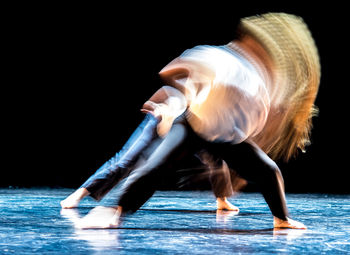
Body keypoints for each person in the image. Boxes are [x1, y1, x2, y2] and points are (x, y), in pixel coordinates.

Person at [75, 13, 320, 230]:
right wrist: (170, 108)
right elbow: (190, 83)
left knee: (268, 171)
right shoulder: (217, 59)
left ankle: (281, 218)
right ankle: (114, 211)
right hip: (194, 125)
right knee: (154, 168)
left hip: (227, 135)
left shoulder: (256, 72)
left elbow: (258, 110)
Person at [60, 86, 240, 211]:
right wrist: (159, 109)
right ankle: (77, 195)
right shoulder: (188, 88)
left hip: (192, 126)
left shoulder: (217, 104)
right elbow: (162, 100)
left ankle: (221, 201)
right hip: (160, 121)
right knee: (126, 161)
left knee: (216, 159)